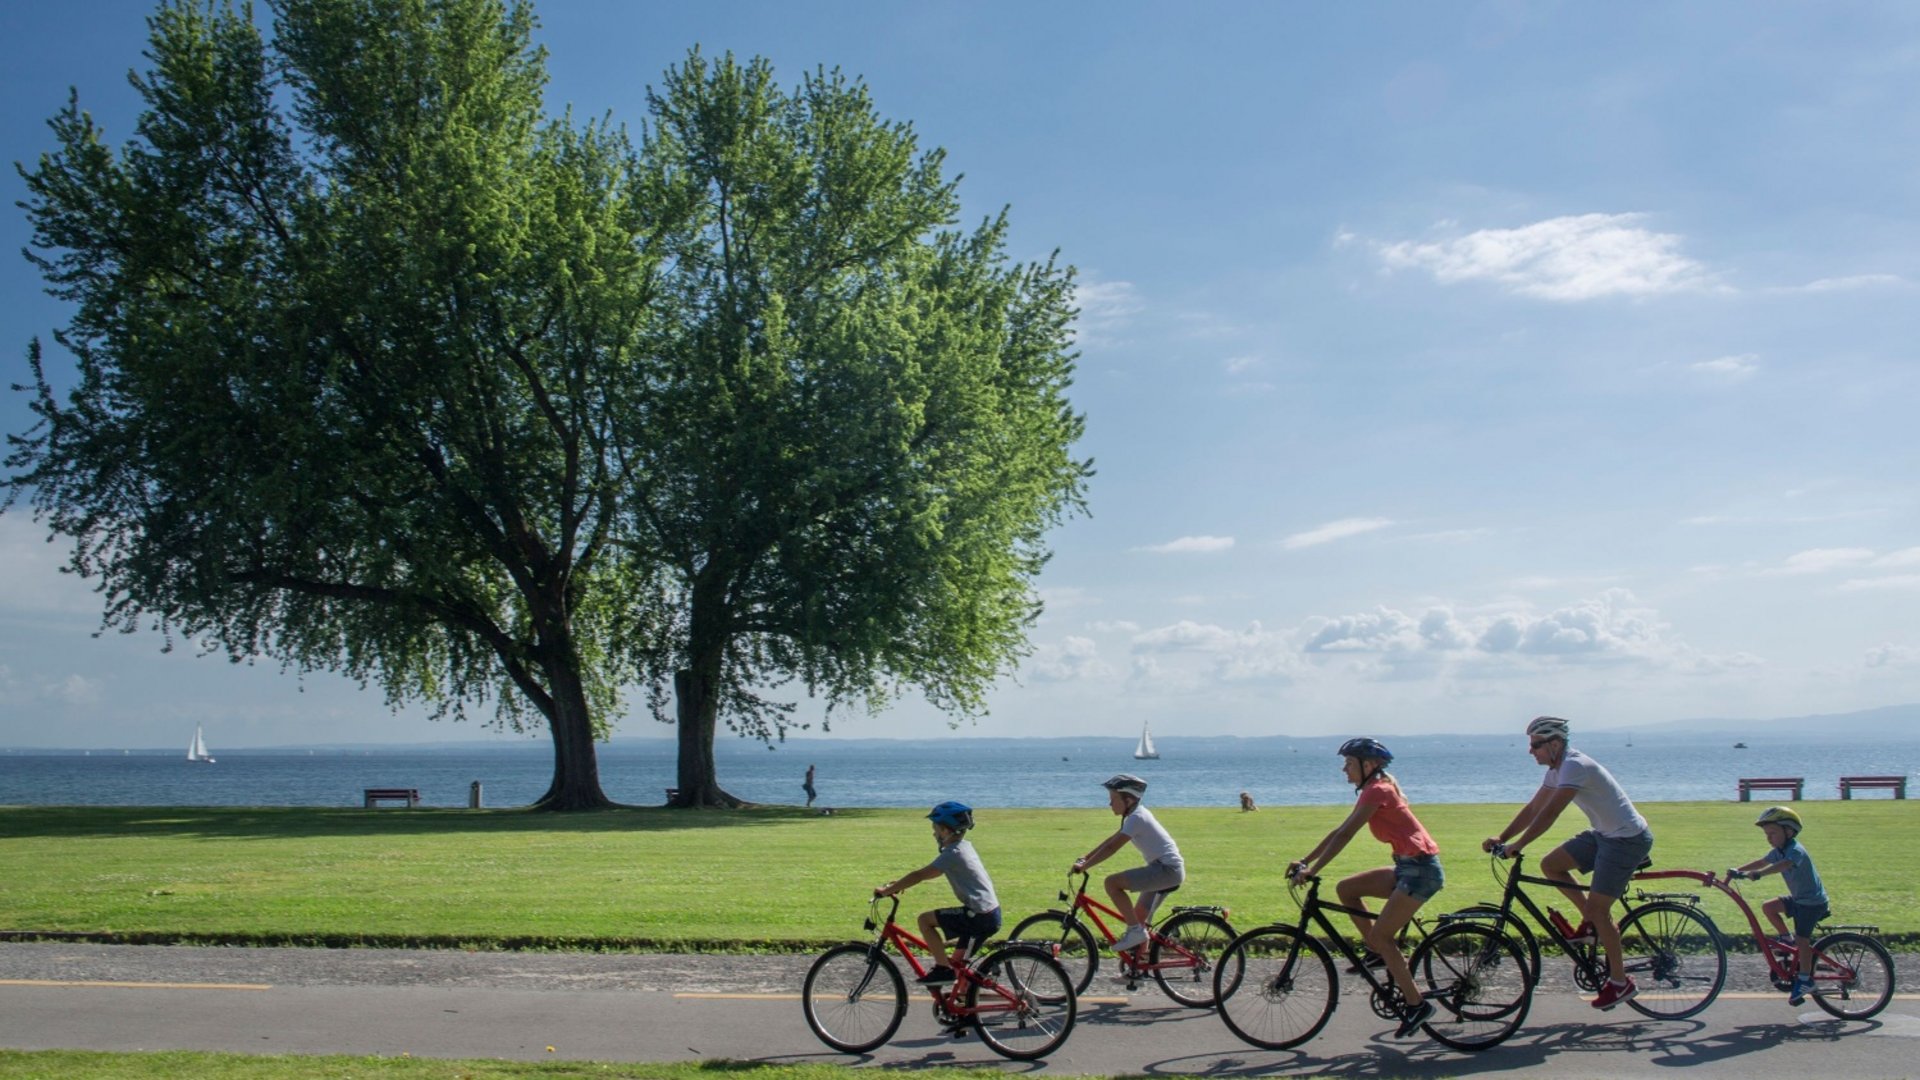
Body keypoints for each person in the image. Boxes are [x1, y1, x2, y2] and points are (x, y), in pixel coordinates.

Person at [1483, 715, 1653, 1011]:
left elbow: (1549, 814)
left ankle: (1619, 982)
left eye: (1536, 745)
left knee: (1600, 911)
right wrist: (1503, 837)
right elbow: (1534, 807)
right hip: (1604, 834)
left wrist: (1519, 846)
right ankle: (1589, 925)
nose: (1530, 751)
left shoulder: (1574, 766)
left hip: (1627, 839)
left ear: (1555, 744)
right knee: (1551, 865)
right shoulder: (1556, 769)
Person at [1287, 738, 1443, 1038]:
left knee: (1384, 936)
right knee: (1347, 889)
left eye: (1349, 763)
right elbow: (1339, 830)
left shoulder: (1379, 789)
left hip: (1420, 871)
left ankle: (1416, 1005)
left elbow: (1346, 835)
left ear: (1368, 765)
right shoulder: (1375, 788)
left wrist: (1312, 871)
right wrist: (1306, 860)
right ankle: (1377, 952)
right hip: (1407, 867)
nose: (1344, 770)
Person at [874, 801, 1000, 985]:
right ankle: (967, 1004)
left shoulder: (953, 854)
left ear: (945, 831)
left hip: (979, 916)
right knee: (959, 970)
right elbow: (925, 875)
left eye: (935, 828)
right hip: (986, 913)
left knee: (924, 920)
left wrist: (886, 891)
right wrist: (900, 884)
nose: (933, 833)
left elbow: (920, 875)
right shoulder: (964, 847)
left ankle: (942, 969)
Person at [1072, 774, 1184, 955]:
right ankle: (1137, 969)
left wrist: (1085, 866)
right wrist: (1085, 858)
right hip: (1163, 869)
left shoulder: (1137, 818)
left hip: (1166, 870)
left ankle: (1134, 932)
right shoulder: (1135, 816)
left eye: (1113, 799)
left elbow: (1112, 847)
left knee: (1112, 883)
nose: (1110, 804)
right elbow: (1111, 840)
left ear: (1128, 799)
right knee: (1139, 917)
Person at [1726, 805, 1827, 1006]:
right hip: (1799, 900)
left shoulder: (1795, 851)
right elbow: (1762, 862)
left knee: (1803, 940)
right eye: (1766, 834)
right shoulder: (1779, 851)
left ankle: (1806, 980)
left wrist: (1760, 875)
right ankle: (1786, 940)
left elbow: (1784, 865)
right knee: (1769, 907)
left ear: (1789, 832)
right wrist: (1738, 870)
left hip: (1812, 903)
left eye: (1772, 833)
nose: (1769, 837)